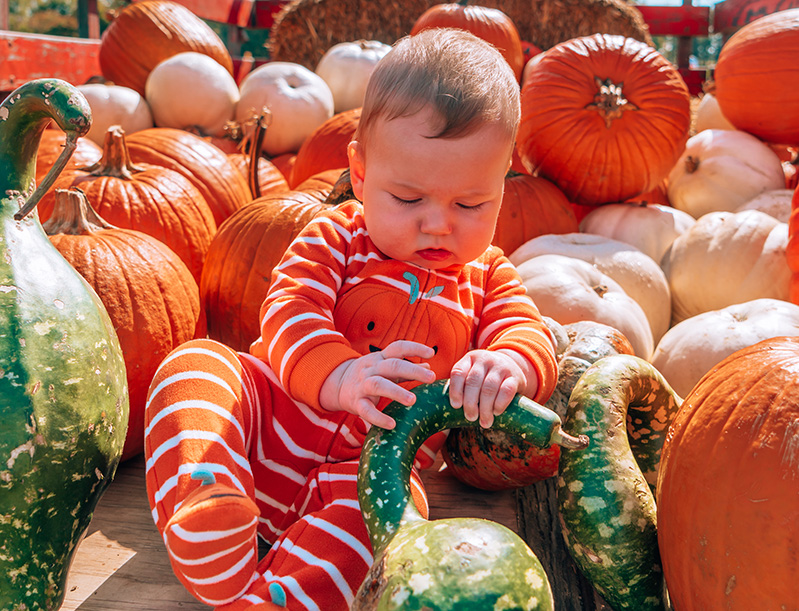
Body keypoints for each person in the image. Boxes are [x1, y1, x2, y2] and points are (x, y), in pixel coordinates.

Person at [144, 27, 558, 611]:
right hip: (265, 419)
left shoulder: (489, 276)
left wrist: (506, 364)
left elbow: (529, 334)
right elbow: (289, 308)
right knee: (195, 366)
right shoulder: (338, 236)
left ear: (503, 185)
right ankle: (206, 506)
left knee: (390, 534)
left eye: (471, 204)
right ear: (360, 174)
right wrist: (338, 376)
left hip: (371, 472)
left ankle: (268, 598)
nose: (438, 224)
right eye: (408, 199)